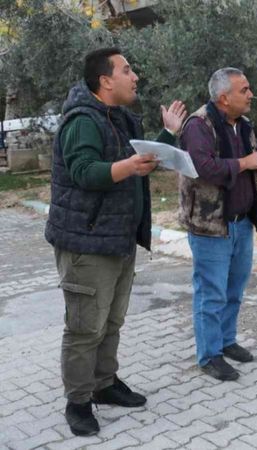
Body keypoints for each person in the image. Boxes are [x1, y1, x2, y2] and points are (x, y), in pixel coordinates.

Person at [45, 47, 186, 436]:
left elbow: (138, 158)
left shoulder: (119, 117)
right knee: (84, 327)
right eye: (127, 70)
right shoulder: (82, 120)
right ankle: (78, 402)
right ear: (105, 80)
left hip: (117, 238)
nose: (135, 76)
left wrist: (168, 133)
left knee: (111, 320)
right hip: (86, 243)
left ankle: (104, 384)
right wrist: (127, 167)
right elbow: (84, 171)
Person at [178, 68, 257, 381]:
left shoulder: (243, 125)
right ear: (224, 97)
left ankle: (227, 341)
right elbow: (204, 168)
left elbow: (249, 161)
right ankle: (209, 355)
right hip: (210, 226)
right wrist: (246, 162)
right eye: (244, 90)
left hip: (242, 222)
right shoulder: (198, 125)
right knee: (211, 293)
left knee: (234, 289)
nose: (250, 95)